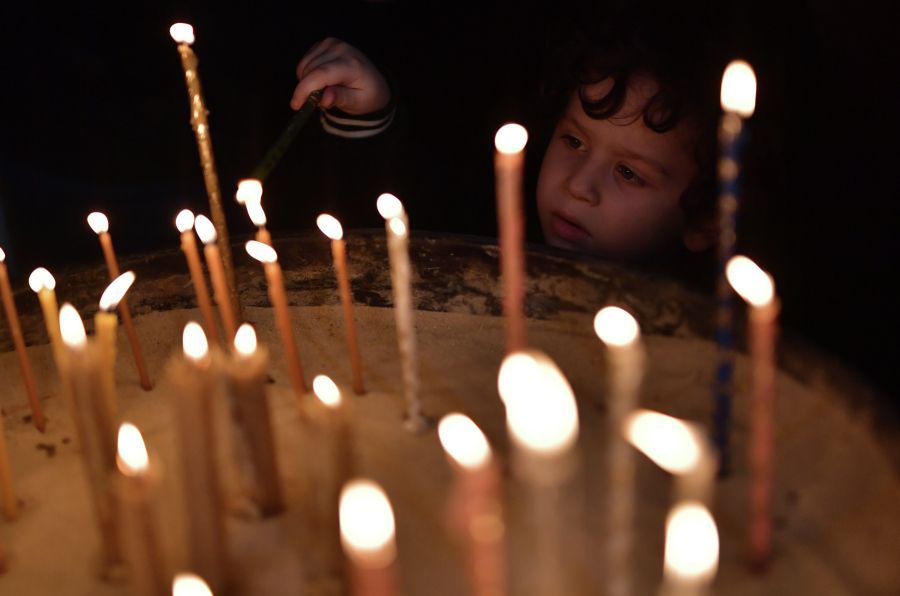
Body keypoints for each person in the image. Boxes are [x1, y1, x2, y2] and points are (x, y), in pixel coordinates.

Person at [289, 9, 722, 285]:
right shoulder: (488, 242)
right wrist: (369, 113)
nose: (577, 186)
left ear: (707, 223)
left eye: (628, 172)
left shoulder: (709, 342)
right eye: (574, 141)